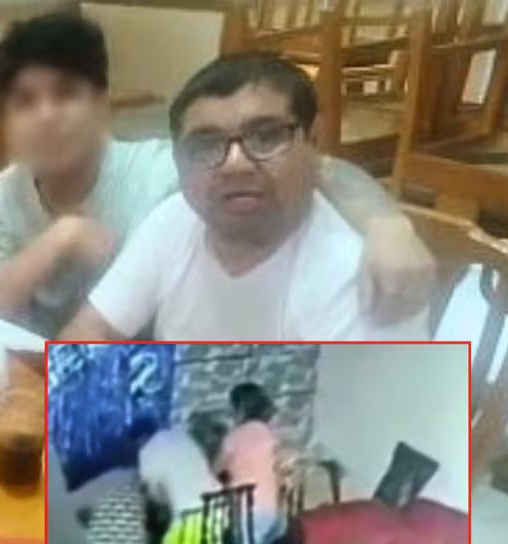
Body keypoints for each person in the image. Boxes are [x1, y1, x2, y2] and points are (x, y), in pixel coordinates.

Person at [0, 13, 434, 338]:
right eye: (24, 102)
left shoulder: (170, 174)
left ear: (103, 104)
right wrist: (60, 240)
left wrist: (387, 224)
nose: (46, 116)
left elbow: (318, 168)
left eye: (65, 94)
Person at [61, 53, 431, 341]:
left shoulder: (362, 273)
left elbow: (370, 417)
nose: (235, 164)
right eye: (206, 144)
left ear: (314, 142)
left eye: (267, 136)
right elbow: (90, 334)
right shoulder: (174, 218)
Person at [217, 383, 284, 544]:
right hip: (271, 507)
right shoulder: (268, 433)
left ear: (239, 407)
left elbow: (216, 469)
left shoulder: (235, 436)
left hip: (248, 509)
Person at [138, 427, 220, 544]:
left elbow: (155, 497)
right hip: (218, 509)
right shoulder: (183, 437)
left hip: (190, 519)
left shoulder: (147, 452)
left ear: (139, 439)